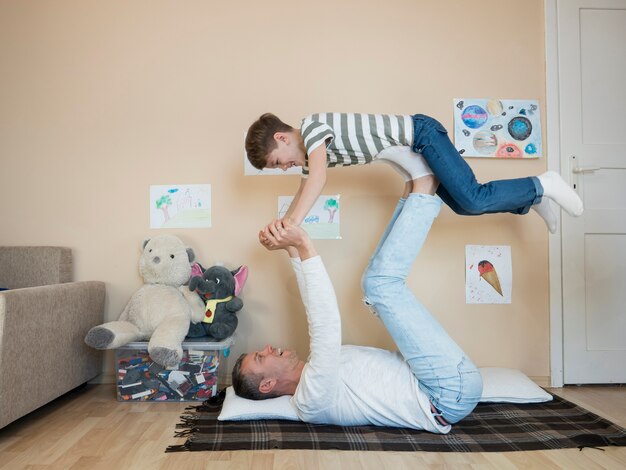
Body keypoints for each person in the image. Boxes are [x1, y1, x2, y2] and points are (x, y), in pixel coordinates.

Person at [231, 175, 483, 432]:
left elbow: (312, 306)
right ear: (267, 385)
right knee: (380, 285)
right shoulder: (311, 399)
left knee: (374, 282)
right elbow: (324, 324)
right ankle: (424, 189)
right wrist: (304, 245)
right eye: (261, 357)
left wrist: (291, 250)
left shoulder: (316, 374)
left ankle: (416, 188)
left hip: (440, 382)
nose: (268, 347)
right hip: (444, 394)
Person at [245, 112, 584, 234]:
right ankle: (532, 195)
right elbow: (305, 187)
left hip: (421, 133)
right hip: (415, 149)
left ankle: (545, 182)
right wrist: (282, 224)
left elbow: (317, 181)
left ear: (282, 138)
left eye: (278, 162)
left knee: (472, 197)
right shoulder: (307, 158)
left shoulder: (312, 127)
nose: (285, 168)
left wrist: (293, 224)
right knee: (465, 206)